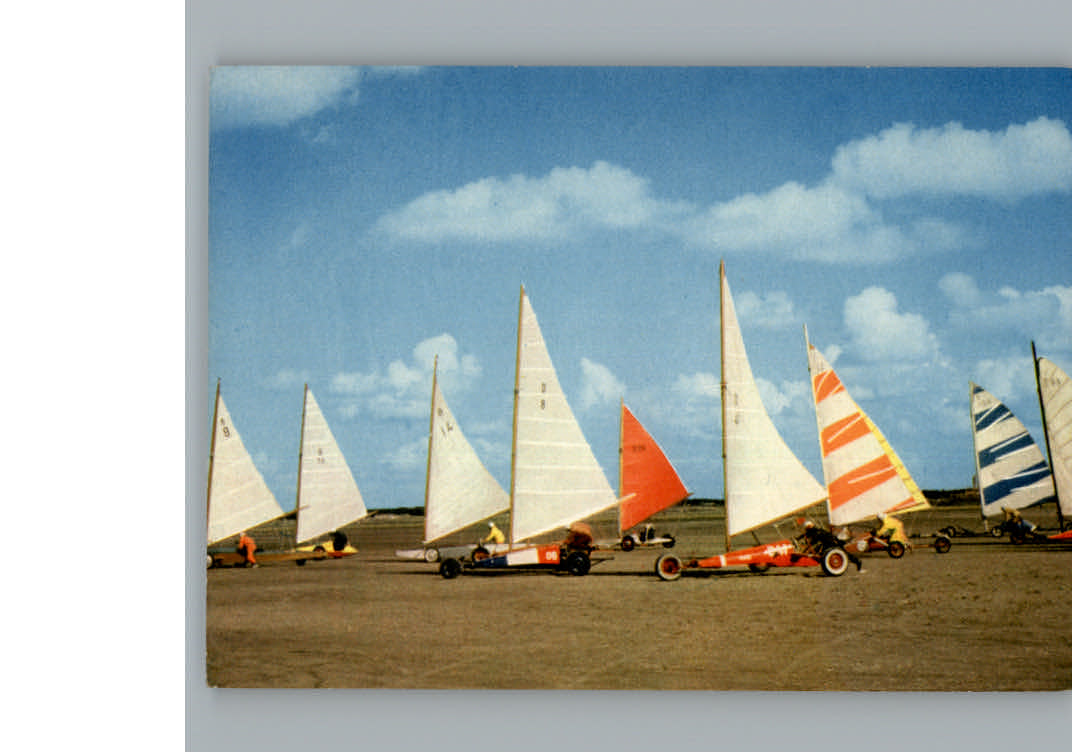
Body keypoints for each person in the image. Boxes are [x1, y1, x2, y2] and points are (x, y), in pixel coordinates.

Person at [798, 519, 863, 572]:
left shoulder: (815, 531)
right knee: (840, 553)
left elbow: (813, 541)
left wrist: (805, 550)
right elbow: (807, 536)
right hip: (827, 543)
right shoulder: (815, 530)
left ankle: (858, 562)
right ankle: (857, 562)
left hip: (832, 543)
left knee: (843, 554)